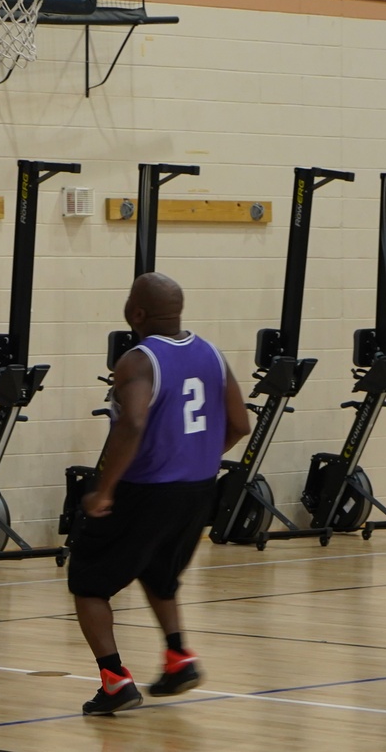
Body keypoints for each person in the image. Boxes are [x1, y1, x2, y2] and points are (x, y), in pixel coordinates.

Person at [67, 272, 251, 715]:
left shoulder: (138, 360)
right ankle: (178, 657)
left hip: (146, 489)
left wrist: (104, 491)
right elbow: (241, 424)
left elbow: (131, 424)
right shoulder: (213, 354)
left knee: (89, 582)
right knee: (159, 574)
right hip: (198, 490)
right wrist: (199, 455)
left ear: (137, 313)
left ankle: (114, 682)